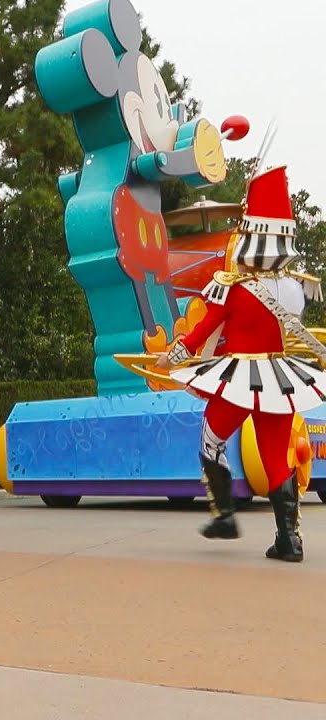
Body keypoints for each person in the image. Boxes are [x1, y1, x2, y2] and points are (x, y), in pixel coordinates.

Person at [156, 166, 326, 562]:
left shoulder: (232, 288)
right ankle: (290, 540)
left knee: (211, 439)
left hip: (237, 380)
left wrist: (171, 358)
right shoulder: (297, 288)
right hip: (280, 380)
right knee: (275, 458)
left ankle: (224, 515)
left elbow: (201, 334)